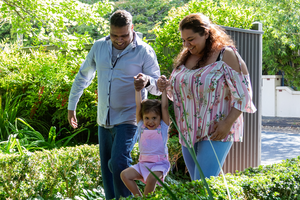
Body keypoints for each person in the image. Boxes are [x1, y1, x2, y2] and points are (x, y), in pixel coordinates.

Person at [67, 10, 161, 199]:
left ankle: (129, 198)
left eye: (124, 35)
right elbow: (83, 76)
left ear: (132, 28)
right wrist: (72, 105)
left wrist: (147, 82)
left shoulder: (143, 51)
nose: (119, 40)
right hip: (104, 119)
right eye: (114, 35)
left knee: (118, 162)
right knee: (108, 172)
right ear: (109, 31)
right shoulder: (99, 47)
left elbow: (158, 87)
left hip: (130, 118)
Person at [157, 13, 257, 180]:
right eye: (183, 40)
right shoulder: (187, 56)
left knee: (203, 184)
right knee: (197, 187)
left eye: (191, 39)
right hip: (188, 132)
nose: (186, 44)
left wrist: (227, 123)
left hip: (216, 131)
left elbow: (244, 94)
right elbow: (180, 95)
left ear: (206, 33)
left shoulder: (226, 55)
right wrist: (165, 87)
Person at [121, 74, 170, 197]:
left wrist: (163, 90)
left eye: (154, 118)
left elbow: (164, 107)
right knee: (125, 175)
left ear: (160, 118)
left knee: (152, 179)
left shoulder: (162, 127)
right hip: (143, 164)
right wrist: (138, 90)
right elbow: (138, 106)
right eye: (147, 118)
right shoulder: (142, 126)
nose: (150, 121)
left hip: (159, 164)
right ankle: (139, 197)